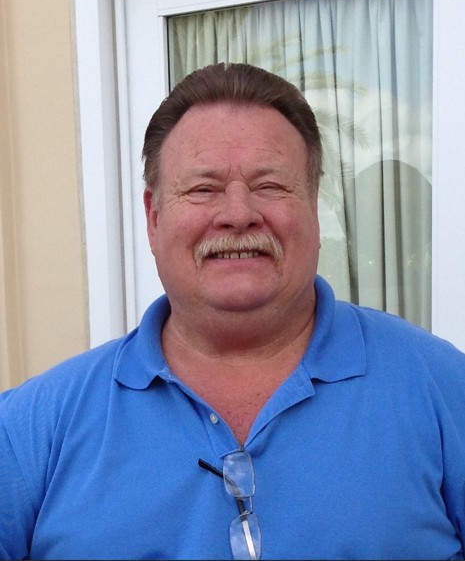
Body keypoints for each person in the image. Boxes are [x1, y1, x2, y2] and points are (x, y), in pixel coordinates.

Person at [1, 62, 464, 561]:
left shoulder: (443, 389)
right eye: (203, 189)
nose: (239, 214)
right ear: (153, 218)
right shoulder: (29, 429)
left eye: (270, 186)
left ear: (312, 207)